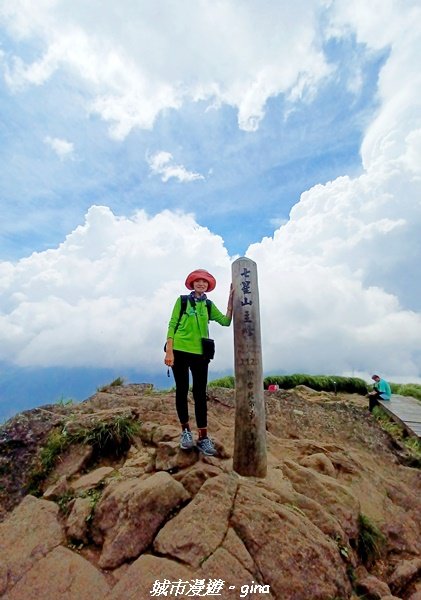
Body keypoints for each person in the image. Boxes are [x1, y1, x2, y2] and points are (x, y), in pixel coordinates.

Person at [164, 269, 233, 456]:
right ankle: (185, 432)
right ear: (192, 283)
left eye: (204, 282)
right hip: (179, 350)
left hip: (201, 354)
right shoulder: (183, 301)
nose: (201, 284)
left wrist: (231, 301)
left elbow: (226, 321)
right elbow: (171, 324)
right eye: (198, 281)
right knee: (182, 390)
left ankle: (203, 437)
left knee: (200, 394)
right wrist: (169, 351)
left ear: (208, 286)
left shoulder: (208, 306)